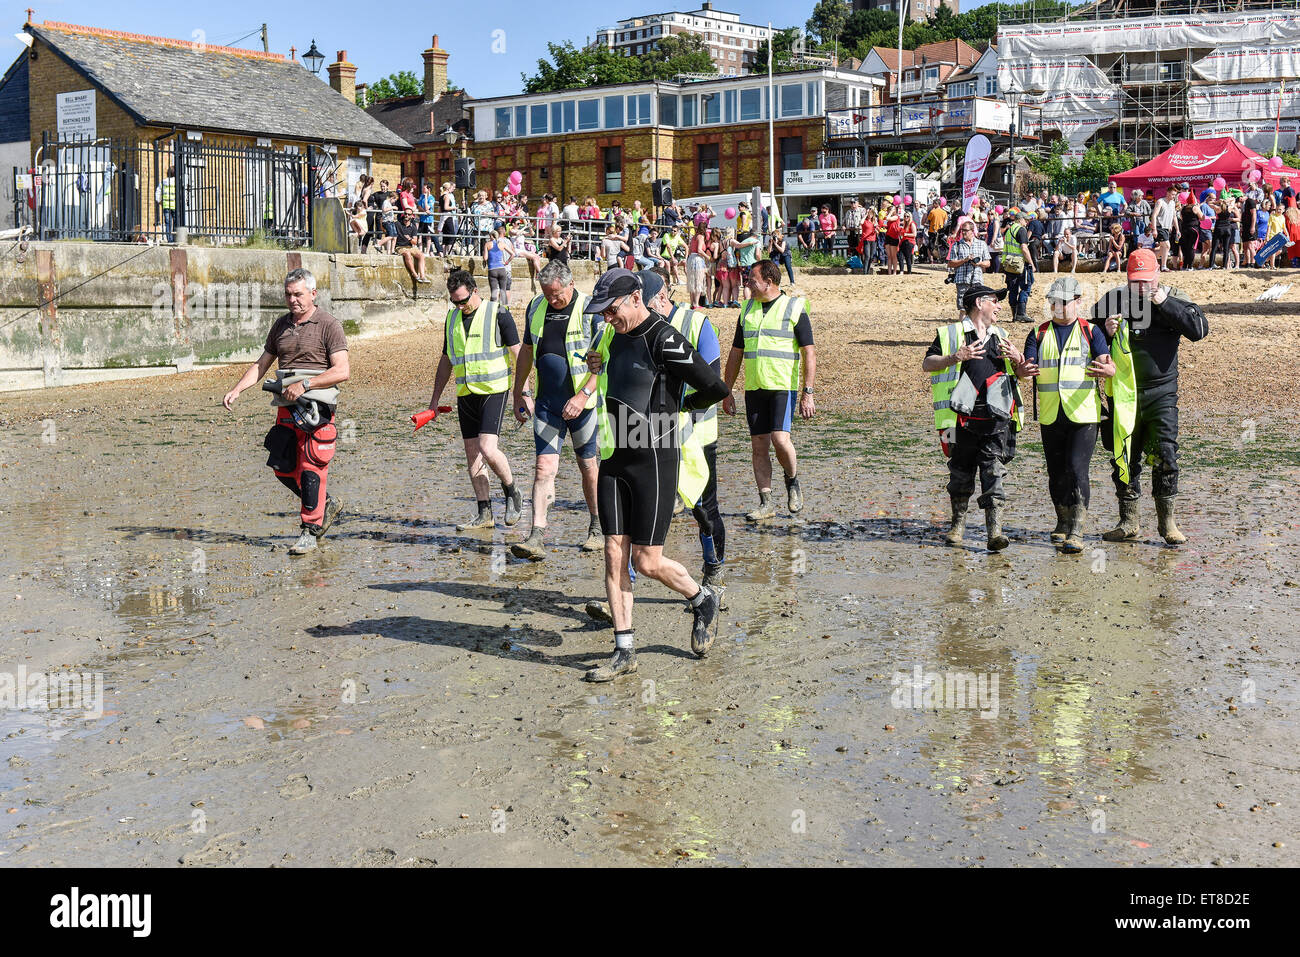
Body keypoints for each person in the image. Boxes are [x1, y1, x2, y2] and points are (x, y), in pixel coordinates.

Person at [577, 269, 729, 681]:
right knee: (613, 553)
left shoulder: (664, 337)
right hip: (614, 458)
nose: (607, 319)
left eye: (611, 311)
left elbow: (715, 387)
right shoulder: (611, 334)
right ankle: (624, 650)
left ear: (633, 299)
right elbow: (604, 368)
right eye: (602, 313)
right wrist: (595, 367)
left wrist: (680, 405)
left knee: (646, 561)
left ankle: (701, 599)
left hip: (655, 460)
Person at [222, 268, 348, 555]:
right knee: (283, 466)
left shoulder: (329, 325)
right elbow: (262, 364)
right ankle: (325, 503)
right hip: (284, 406)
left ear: (313, 294)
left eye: (299, 294)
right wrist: (237, 389)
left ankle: (309, 530)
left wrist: (305, 384)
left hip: (316, 407)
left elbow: (342, 371)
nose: (293, 300)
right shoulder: (280, 326)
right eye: (288, 295)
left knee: (311, 468)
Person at [1093, 249, 1209, 545]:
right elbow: (1087, 336)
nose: (1141, 287)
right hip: (1123, 392)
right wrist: (1104, 332)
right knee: (1123, 456)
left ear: (1157, 274)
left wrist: (1162, 301)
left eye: (1146, 281)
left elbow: (1198, 330)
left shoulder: (1174, 294)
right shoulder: (1114, 299)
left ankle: (1167, 523)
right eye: (1136, 282)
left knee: (1165, 454)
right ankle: (1128, 521)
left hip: (1162, 392)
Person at [510, 260, 603, 559]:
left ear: (571, 283)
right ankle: (536, 535)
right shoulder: (536, 307)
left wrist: (583, 395)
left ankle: (597, 527)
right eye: (547, 294)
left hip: (583, 405)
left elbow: (602, 361)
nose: (552, 300)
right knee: (543, 468)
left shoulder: (591, 310)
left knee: (588, 466)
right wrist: (518, 391)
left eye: (556, 294)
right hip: (547, 404)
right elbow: (526, 351)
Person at [1014, 277, 1114, 553]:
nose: (1057, 307)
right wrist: (1021, 370)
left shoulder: (1091, 332)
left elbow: (1107, 363)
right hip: (1050, 414)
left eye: (1063, 302)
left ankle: (1077, 530)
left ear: (1078, 302)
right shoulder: (1038, 333)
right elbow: (1026, 368)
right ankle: (1062, 521)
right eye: (1053, 302)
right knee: (1056, 472)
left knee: (1076, 468)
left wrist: (1110, 370)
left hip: (1083, 414)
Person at [922, 283, 1025, 551]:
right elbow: (927, 364)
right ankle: (957, 527)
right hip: (953, 419)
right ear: (979, 303)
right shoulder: (950, 333)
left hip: (995, 418)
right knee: (959, 473)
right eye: (995, 301)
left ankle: (995, 532)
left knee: (994, 472)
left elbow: (1020, 375)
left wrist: (1018, 360)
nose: (1000, 306)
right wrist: (956, 356)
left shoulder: (1002, 335)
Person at [425, 269, 525, 531]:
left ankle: (512, 491)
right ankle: (485, 513)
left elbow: (519, 355)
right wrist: (433, 401)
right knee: (472, 455)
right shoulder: (451, 319)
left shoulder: (498, 313)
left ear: (475, 290)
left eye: (463, 300)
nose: (460, 306)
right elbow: (446, 360)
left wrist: (524, 392)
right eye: (454, 302)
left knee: (488, 449)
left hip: (494, 389)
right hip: (466, 393)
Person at [644, 271, 726, 586]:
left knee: (704, 510)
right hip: (646, 435)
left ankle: (713, 571)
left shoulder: (697, 325)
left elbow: (713, 382)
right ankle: (626, 586)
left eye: (646, 307)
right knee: (639, 509)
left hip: (695, 436)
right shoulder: (637, 329)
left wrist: (680, 409)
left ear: (663, 299)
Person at [720, 259, 815, 521]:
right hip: (754, 388)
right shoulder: (747, 309)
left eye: (752, 279)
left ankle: (792, 481)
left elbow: (809, 352)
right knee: (759, 446)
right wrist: (727, 390)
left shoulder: (794, 307)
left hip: (782, 386)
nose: (747, 283)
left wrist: (808, 391)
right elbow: (736, 352)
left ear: (768, 282)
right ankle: (766, 502)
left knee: (780, 440)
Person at [946, 219, 991, 319]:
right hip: (962, 279)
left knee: (977, 306)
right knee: (963, 308)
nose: (963, 232)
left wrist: (979, 263)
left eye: (966, 230)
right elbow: (950, 263)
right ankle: (963, 329)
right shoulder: (956, 245)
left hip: (977, 279)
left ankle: (976, 328)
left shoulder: (981, 244)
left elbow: (988, 263)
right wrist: (965, 260)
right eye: (962, 230)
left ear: (972, 231)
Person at [1001, 210, 1034, 323]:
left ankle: (1014, 315)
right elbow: (1024, 249)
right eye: (1026, 220)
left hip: (1009, 264)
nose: (1027, 222)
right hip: (1020, 264)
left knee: (1013, 289)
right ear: (1020, 220)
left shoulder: (1009, 231)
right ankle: (1021, 313)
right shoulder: (1021, 230)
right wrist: (1031, 263)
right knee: (1026, 286)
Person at [394, 209, 432, 284]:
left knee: (421, 255)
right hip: (400, 247)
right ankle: (414, 274)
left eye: (408, 214)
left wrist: (410, 238)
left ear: (412, 216)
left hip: (410, 247)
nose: (406, 215)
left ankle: (422, 276)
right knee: (407, 253)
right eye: (405, 214)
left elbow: (415, 241)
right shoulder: (398, 224)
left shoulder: (413, 227)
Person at [484, 227, 515, 305]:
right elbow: (513, 254)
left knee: (494, 291)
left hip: (492, 269)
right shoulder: (502, 244)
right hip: (502, 269)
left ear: (491, 236)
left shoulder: (487, 244)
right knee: (503, 291)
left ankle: (492, 310)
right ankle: (504, 310)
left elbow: (485, 258)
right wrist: (507, 262)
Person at [156, 165, 177, 242]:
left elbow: (158, 192)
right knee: (175, 223)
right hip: (175, 205)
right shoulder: (176, 182)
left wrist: (159, 201)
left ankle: (169, 239)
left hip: (166, 205)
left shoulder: (163, 182)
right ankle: (175, 238)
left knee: (168, 223)